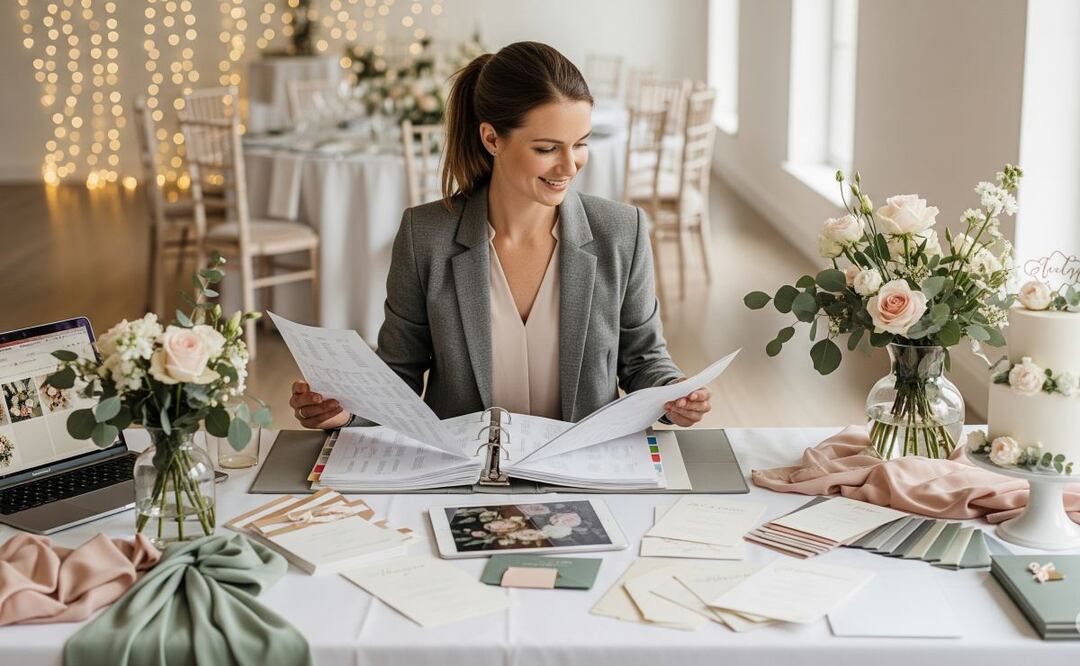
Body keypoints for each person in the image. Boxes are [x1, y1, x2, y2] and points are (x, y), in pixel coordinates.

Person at [290, 41, 710, 431]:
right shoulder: (426, 236)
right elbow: (399, 371)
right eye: (547, 148)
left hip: (585, 471)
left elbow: (643, 360)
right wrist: (346, 411)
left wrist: (675, 394)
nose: (569, 166)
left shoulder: (622, 232)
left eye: (580, 144)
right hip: (462, 476)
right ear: (492, 138)